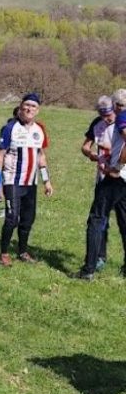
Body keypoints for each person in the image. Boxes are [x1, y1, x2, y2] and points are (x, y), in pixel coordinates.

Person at [0, 93, 53, 266]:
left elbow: (41, 157)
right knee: (12, 218)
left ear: (38, 110)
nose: (29, 109)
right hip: (12, 180)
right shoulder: (10, 128)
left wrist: (46, 181)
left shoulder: (39, 129)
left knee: (28, 219)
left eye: (33, 106)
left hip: (31, 183)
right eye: (26, 105)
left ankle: (22, 251)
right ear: (21, 107)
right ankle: (4, 253)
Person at [75, 89, 126, 280]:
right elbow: (86, 146)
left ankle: (88, 269)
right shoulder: (99, 123)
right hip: (114, 178)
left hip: (116, 177)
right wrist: (94, 155)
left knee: (96, 219)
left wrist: (117, 166)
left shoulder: (122, 118)